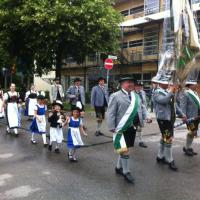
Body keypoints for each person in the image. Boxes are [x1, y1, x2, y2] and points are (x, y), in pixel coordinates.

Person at [107, 77, 141, 184]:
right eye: (128, 82)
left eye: (132, 82)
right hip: (120, 127)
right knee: (125, 150)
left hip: (132, 126)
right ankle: (126, 172)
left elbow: (140, 108)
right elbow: (111, 112)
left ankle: (118, 167)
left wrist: (145, 118)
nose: (131, 84)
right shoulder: (115, 96)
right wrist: (111, 126)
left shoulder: (135, 96)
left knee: (125, 148)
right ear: (122, 84)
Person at [153, 76, 180, 171]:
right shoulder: (156, 92)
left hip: (169, 119)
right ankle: (170, 160)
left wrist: (182, 114)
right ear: (160, 83)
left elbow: (173, 105)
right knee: (168, 139)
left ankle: (160, 156)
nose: (168, 84)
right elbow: (164, 101)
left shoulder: (166, 92)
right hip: (163, 119)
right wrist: (171, 92)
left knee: (164, 137)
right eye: (165, 82)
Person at [180, 80, 200, 156]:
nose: (196, 85)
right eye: (195, 84)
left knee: (193, 132)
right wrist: (183, 115)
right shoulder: (185, 93)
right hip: (190, 117)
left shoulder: (195, 93)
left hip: (196, 116)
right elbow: (182, 106)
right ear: (190, 85)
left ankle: (188, 147)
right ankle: (187, 148)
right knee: (192, 132)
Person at [134, 81, 150, 148]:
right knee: (132, 128)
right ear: (135, 86)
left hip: (141, 113)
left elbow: (144, 103)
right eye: (137, 86)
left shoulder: (143, 92)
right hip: (133, 114)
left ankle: (140, 141)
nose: (139, 87)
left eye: (140, 86)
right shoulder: (132, 93)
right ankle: (128, 140)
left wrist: (146, 114)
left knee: (139, 128)